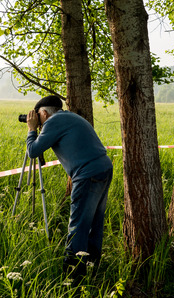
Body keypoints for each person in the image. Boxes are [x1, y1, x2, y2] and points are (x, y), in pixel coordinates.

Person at [26, 95, 113, 278]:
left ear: (43, 112)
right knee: (95, 221)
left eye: (38, 116)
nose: (38, 119)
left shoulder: (54, 121)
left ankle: (73, 274)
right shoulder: (70, 116)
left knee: (79, 223)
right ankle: (92, 265)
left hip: (87, 174)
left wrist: (31, 130)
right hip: (103, 167)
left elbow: (33, 151)